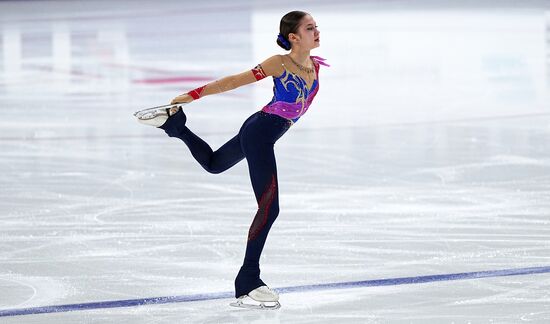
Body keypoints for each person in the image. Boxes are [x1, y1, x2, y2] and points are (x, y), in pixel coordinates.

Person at [135, 10, 329, 309]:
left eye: (316, 27)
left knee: (214, 164)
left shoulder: (315, 66)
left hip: (266, 133)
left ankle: (173, 126)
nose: (316, 31)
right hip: (260, 133)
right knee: (270, 207)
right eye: (309, 28)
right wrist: (193, 94)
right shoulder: (279, 63)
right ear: (294, 37)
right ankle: (248, 281)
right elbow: (234, 82)